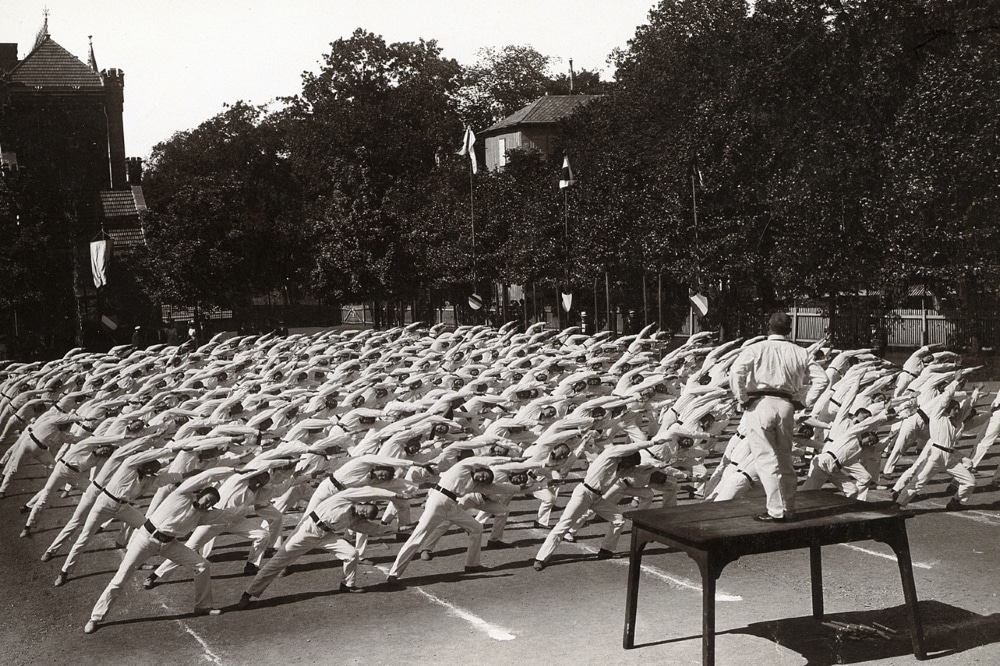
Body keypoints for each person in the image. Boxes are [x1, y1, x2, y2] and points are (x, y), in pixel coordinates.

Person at [83, 468, 235, 634]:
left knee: (202, 565)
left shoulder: (203, 515)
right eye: (208, 499)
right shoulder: (182, 494)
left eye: (211, 504)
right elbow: (207, 475)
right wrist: (233, 470)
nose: (208, 504)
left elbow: (228, 514)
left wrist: (255, 507)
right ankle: (96, 618)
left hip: (169, 544)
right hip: (145, 539)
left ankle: (203, 606)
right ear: (200, 492)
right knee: (121, 578)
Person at [729, 312, 828, 522]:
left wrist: (743, 398)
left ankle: (776, 510)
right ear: (789, 330)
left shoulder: (756, 349)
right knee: (784, 458)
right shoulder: (800, 352)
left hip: (759, 404)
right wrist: (805, 401)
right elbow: (822, 379)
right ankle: (788, 507)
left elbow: (736, 372)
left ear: (768, 327)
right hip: (786, 405)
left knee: (766, 459)